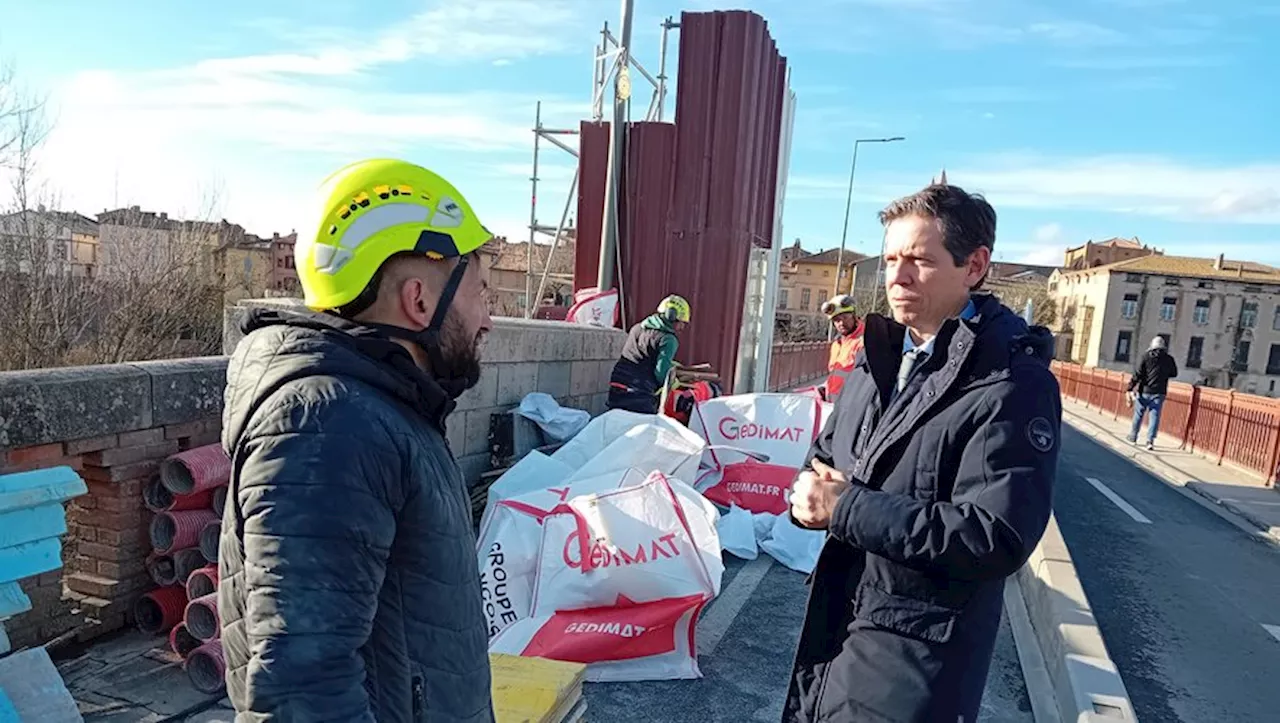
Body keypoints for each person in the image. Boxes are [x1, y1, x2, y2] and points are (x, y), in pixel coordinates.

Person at [218, 159, 496, 722]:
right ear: (420, 300)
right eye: (482, 292)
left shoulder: (382, 409)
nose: (490, 317)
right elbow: (301, 692)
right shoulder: (330, 426)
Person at [784, 183, 1061, 723]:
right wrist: (807, 499)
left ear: (974, 266)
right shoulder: (880, 357)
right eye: (891, 259)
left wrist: (843, 508)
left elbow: (995, 536)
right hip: (838, 631)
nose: (897, 276)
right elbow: (822, 459)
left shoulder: (1010, 383)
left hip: (918, 663)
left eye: (919, 261)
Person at [606, 294, 691, 414]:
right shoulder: (668, 340)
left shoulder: (637, 328)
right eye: (682, 322)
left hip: (617, 383)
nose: (682, 327)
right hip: (639, 391)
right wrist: (672, 380)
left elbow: (641, 355)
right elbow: (661, 374)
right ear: (672, 317)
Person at [1127, 335, 1178, 450]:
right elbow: (1174, 373)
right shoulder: (1169, 359)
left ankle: (1133, 436)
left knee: (1138, 414)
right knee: (1154, 416)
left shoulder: (1145, 357)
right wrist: (1164, 373)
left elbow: (1138, 373)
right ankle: (1150, 441)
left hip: (1144, 390)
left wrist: (1130, 387)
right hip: (1159, 392)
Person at [821, 294, 865, 400]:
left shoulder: (864, 341)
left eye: (845, 317)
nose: (841, 323)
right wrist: (825, 388)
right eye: (836, 320)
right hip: (833, 403)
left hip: (851, 405)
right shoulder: (837, 344)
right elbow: (836, 373)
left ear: (854, 316)